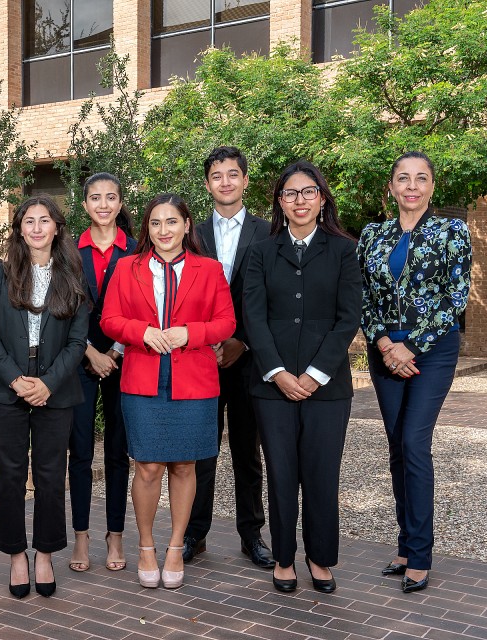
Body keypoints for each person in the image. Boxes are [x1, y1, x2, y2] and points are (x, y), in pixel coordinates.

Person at [101, 193, 235, 590]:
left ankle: (175, 547)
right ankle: (145, 547)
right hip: (143, 378)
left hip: (194, 380)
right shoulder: (128, 268)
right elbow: (109, 319)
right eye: (156, 223)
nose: (164, 230)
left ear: (187, 225)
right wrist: (141, 332)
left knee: (184, 465)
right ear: (147, 228)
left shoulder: (209, 270)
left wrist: (190, 333)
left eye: (172, 222)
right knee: (147, 466)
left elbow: (226, 322)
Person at [243, 160, 362, 594]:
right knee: (280, 472)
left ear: (322, 197)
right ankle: (284, 557)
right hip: (271, 386)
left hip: (327, 388)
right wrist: (277, 372)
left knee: (320, 473)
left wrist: (313, 375)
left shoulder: (345, 249)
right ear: (279, 201)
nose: (300, 200)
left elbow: (348, 318)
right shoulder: (261, 251)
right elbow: (252, 317)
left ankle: (320, 557)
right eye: (291, 193)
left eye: (308, 192)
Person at [358, 151, 472, 594]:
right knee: (395, 447)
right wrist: (387, 344)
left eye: (420, 179)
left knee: (413, 442)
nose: (411, 186)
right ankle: (405, 544)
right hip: (385, 350)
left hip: (433, 351)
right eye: (403, 178)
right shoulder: (372, 234)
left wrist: (411, 346)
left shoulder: (452, 231)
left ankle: (420, 555)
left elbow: (455, 297)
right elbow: (363, 295)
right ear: (391, 187)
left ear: (431, 187)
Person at [0, 195, 88, 599]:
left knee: (49, 476)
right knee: (8, 476)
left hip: (55, 390)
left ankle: (44, 553)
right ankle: (16, 555)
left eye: (45, 221)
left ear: (57, 227)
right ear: (19, 229)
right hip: (5, 388)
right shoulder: (0, 274)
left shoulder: (73, 273)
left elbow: (78, 341)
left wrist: (48, 383)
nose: (37, 228)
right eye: (29, 221)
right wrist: (15, 380)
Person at [187, 146, 272, 568]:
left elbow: (272, 299)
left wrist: (244, 341)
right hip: (199, 357)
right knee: (202, 449)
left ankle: (251, 534)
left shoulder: (268, 231)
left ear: (245, 180)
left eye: (233, 174)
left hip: (249, 359)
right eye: (217, 175)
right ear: (207, 184)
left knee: (246, 450)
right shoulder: (192, 233)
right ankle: (195, 533)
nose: (225, 181)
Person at [68, 173, 135, 573]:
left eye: (111, 197)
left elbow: (144, 308)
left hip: (126, 360)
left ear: (121, 202)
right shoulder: (68, 251)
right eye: (95, 198)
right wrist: (90, 351)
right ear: (85, 205)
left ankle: (115, 535)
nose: (104, 204)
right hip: (78, 360)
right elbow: (61, 310)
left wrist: (116, 350)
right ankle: (80, 535)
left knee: (117, 452)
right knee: (79, 451)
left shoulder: (137, 251)